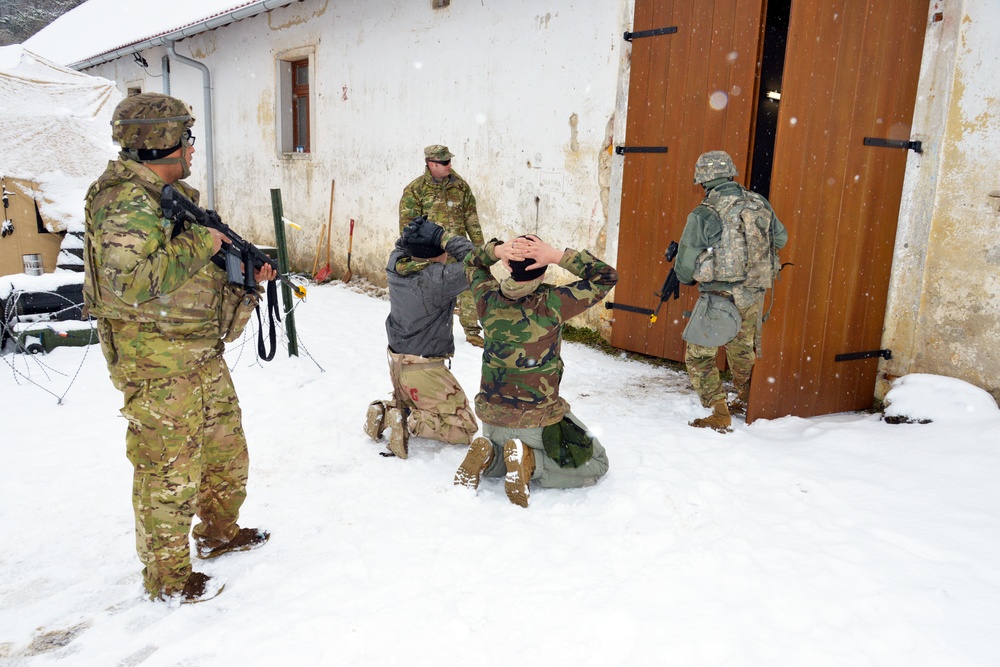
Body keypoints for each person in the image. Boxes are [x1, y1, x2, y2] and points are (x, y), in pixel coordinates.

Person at [83, 93, 273, 604]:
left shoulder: (173, 194)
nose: (192, 148)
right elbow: (129, 283)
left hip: (198, 350)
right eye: (185, 138)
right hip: (157, 362)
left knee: (224, 454)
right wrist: (202, 244)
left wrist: (242, 272)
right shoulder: (123, 200)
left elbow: (193, 270)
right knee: (168, 470)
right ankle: (168, 579)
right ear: (160, 142)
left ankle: (218, 534)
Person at [437, 225, 617, 508]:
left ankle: (491, 456)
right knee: (597, 463)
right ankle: (531, 462)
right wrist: (557, 255)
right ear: (543, 270)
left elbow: (472, 261)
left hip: (492, 422)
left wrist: (496, 251)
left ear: (508, 267)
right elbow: (606, 277)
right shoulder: (553, 303)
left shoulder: (487, 299)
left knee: (502, 446)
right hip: (537, 423)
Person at [673, 150, 789, 433]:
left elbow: (685, 266)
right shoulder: (758, 202)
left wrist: (689, 273)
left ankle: (718, 412)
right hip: (753, 292)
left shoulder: (705, 213)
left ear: (703, 178)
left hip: (720, 296)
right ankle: (747, 398)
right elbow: (781, 239)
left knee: (699, 356)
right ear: (730, 172)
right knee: (742, 350)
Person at [363, 219, 480, 459]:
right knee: (464, 427)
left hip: (397, 365)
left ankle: (387, 412)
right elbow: (477, 262)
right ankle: (405, 422)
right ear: (441, 254)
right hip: (424, 369)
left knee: (421, 404)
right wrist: (443, 236)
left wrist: (406, 238)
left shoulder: (395, 266)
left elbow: (400, 249)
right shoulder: (440, 278)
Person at [399, 144, 485, 347]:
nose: (449, 165)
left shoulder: (460, 186)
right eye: (444, 162)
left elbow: (470, 217)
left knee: (470, 287)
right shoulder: (415, 190)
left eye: (449, 161)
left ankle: (472, 331)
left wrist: (479, 247)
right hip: (432, 253)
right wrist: (414, 254)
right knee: (430, 293)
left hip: (459, 248)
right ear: (431, 164)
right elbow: (408, 226)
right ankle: (428, 331)